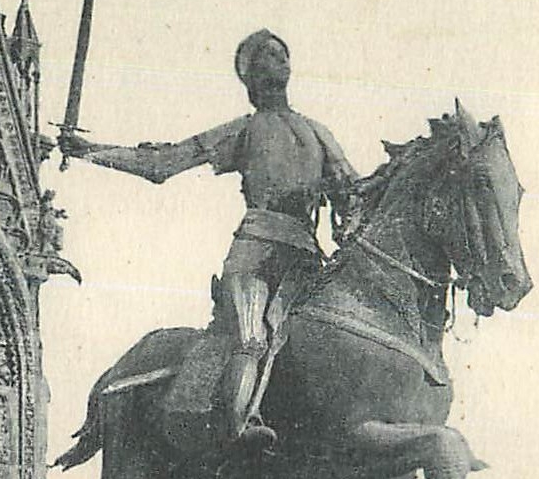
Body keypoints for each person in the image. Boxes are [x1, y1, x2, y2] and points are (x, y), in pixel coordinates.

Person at [58, 30, 359, 450]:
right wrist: (90, 150)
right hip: (256, 254)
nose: (278, 61)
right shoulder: (244, 130)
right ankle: (240, 428)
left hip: (307, 262)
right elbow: (162, 163)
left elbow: (353, 192)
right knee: (252, 337)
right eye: (266, 56)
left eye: (282, 54)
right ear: (249, 77)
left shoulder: (318, 133)